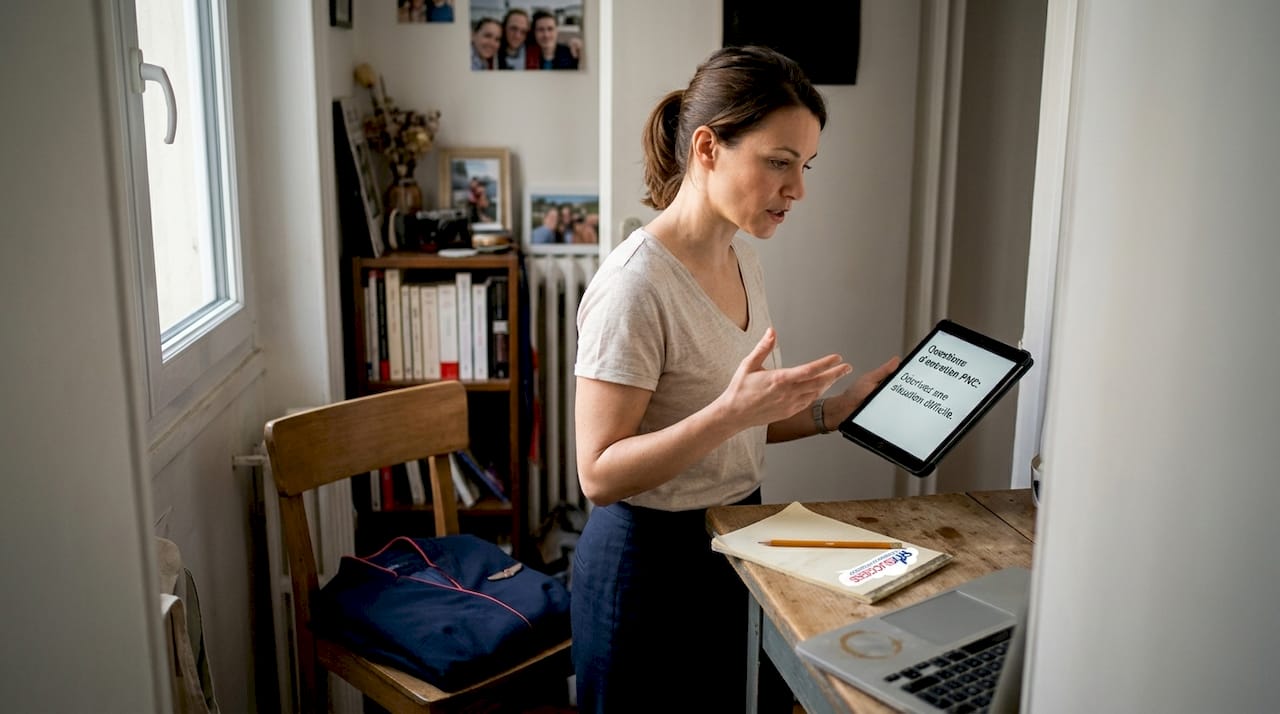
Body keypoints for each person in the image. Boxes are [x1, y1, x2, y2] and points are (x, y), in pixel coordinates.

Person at [570, 46, 899, 713]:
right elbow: (598, 473)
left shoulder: (742, 260)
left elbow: (736, 423)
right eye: (778, 162)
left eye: (804, 167)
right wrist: (730, 411)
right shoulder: (635, 287)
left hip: (732, 539)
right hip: (646, 570)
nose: (797, 189)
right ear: (708, 148)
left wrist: (833, 412)